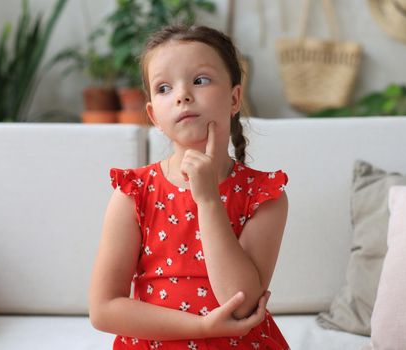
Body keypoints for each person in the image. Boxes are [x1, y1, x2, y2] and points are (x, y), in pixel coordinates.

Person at [89, 25, 290, 349]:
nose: (182, 94)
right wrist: (202, 328)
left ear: (235, 97)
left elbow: (241, 303)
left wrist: (209, 199)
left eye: (200, 80)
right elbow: (103, 310)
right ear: (154, 114)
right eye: (164, 87)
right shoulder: (133, 193)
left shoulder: (264, 196)